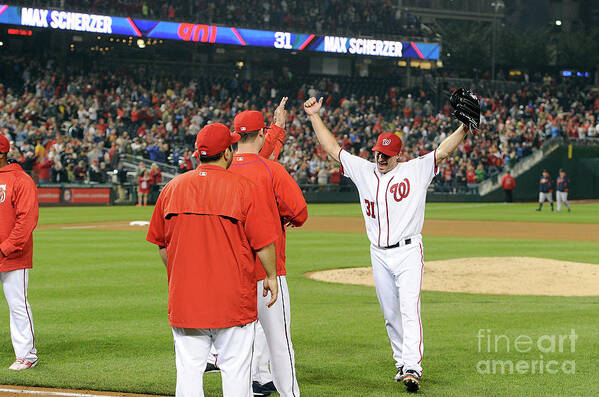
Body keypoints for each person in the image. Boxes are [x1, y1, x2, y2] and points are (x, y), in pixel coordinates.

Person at [303, 96, 472, 392]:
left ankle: (412, 367)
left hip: (408, 251)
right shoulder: (363, 170)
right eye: (378, 153)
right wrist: (314, 116)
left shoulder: (414, 171)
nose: (381, 159)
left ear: (398, 156)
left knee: (409, 308)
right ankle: (400, 363)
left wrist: (465, 128)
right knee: (390, 313)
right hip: (378, 254)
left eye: (386, 155)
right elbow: (332, 149)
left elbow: (442, 151)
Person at [146, 123, 279, 397]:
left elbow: (162, 246)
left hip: (185, 302)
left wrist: (183, 274)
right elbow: (264, 243)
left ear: (198, 154)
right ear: (227, 153)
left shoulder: (172, 188)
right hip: (232, 302)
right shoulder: (244, 187)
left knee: (188, 373)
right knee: (236, 374)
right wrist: (272, 276)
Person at [230, 100, 308, 397]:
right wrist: (283, 216)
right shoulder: (271, 170)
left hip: (234, 275)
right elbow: (299, 212)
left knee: (237, 346)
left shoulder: (222, 171)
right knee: (280, 344)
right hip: (269, 274)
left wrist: (277, 129)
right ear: (262, 133)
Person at [0, 134, 39, 370]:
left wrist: (5, 248)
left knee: (17, 304)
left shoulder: (20, 180)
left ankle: (27, 355)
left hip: (13, 256)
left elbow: (27, 220)